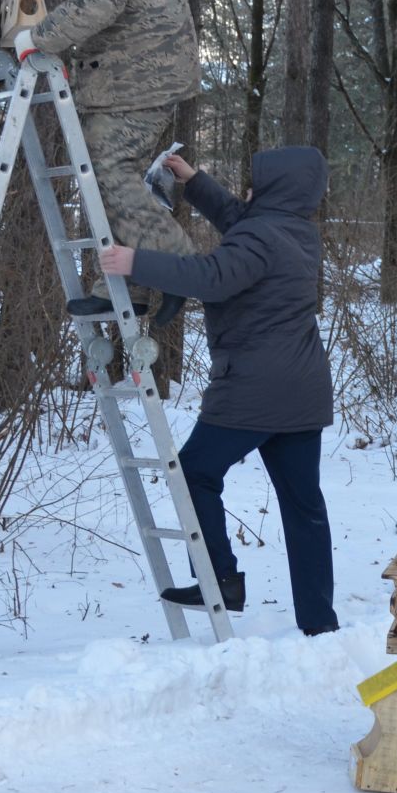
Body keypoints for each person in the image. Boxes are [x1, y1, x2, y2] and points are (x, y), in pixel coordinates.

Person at [96, 147, 340, 637]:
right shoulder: (294, 231)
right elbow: (241, 220)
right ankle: (319, 622)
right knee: (303, 506)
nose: (249, 189)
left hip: (255, 388)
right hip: (302, 388)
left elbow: (211, 278)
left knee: (194, 474)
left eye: (257, 181)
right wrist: (194, 181)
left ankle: (221, 580)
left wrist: (136, 262)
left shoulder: (259, 236)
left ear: (274, 189)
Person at [10, 0, 200, 323]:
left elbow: (98, 1)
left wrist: (37, 38)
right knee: (110, 176)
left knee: (107, 172)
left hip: (137, 75)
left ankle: (182, 265)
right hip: (141, 72)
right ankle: (128, 289)